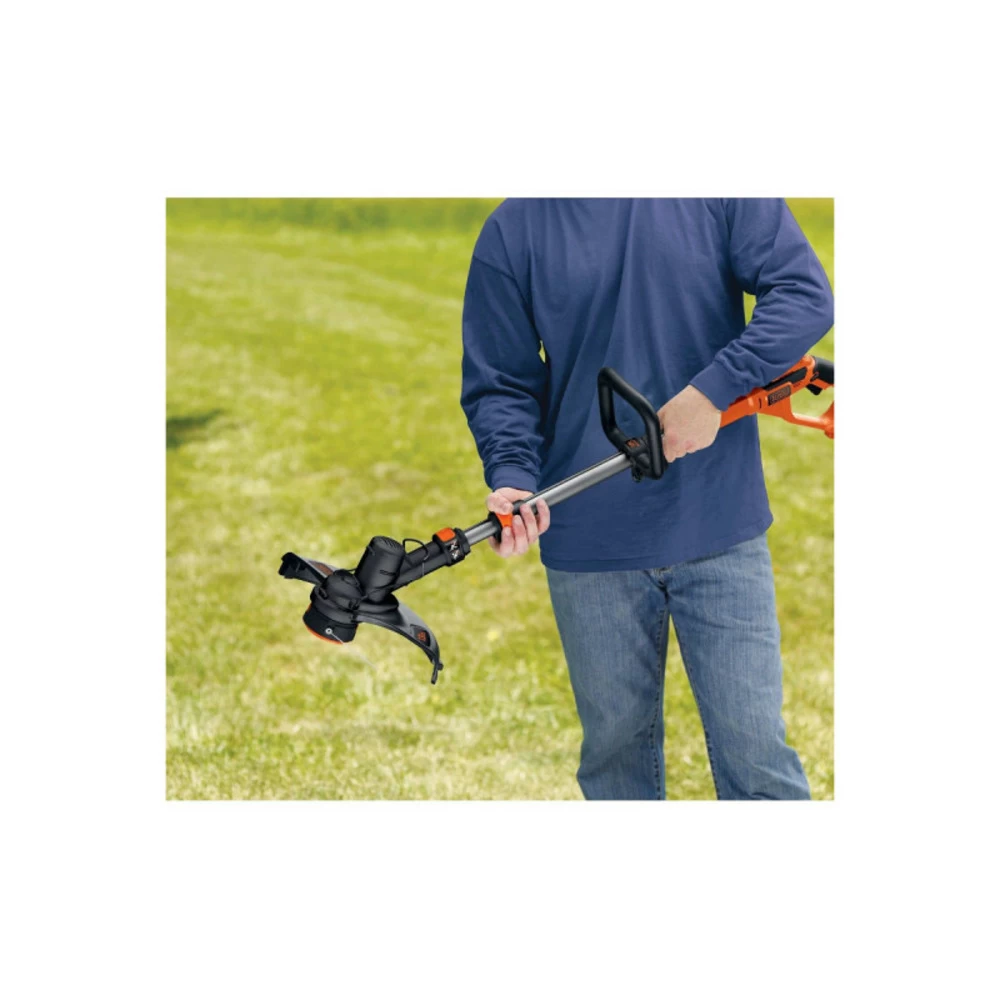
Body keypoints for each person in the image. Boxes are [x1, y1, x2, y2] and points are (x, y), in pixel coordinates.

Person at [460, 198, 834, 800]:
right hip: (590, 539)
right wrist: (512, 474)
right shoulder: (514, 228)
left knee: (756, 758)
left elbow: (802, 293)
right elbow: (501, 379)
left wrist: (714, 391)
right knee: (615, 762)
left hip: (717, 521)